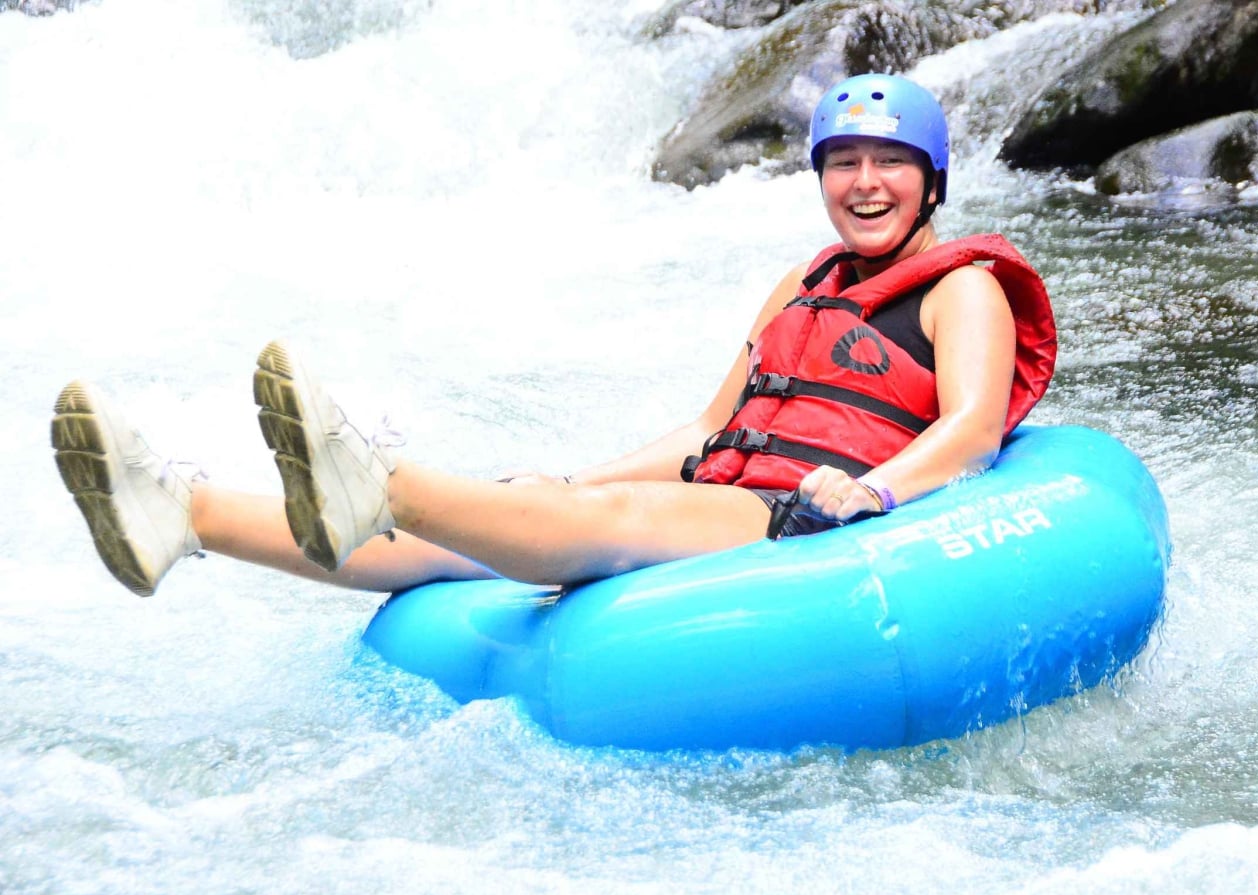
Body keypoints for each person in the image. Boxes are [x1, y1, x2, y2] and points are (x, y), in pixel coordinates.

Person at [51, 73, 1056, 598]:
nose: (865, 184)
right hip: (737, 490)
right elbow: (715, 426)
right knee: (525, 510)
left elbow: (968, 431)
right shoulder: (803, 280)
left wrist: (867, 490)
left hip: (812, 518)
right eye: (844, 163)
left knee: (599, 518)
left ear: (932, 179)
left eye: (890, 163)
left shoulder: (963, 289)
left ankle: (380, 479)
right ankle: (182, 512)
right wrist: (574, 484)